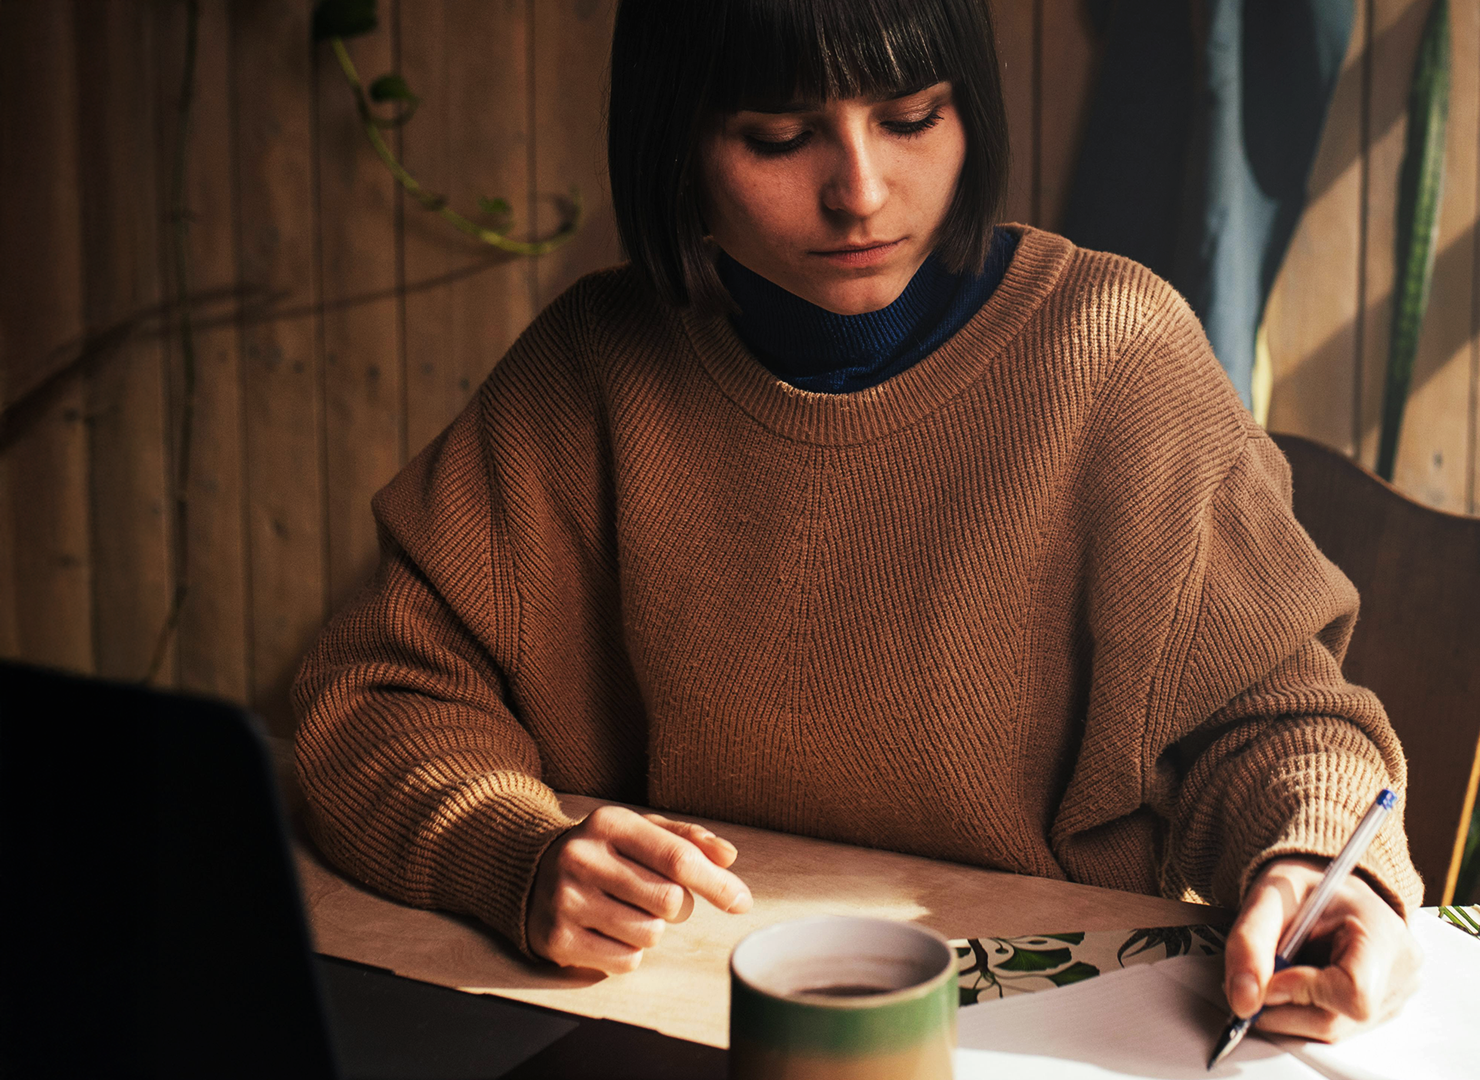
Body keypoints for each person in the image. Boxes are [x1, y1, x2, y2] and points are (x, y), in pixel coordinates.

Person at [294, 0, 1422, 1043]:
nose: (863, 191)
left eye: (912, 117)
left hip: (1034, 1035)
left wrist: (1323, 860)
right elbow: (382, 697)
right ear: (676, 142)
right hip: (653, 1025)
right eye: (780, 138)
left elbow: (1273, 722)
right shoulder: (593, 367)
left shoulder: (1114, 356)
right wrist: (512, 852)